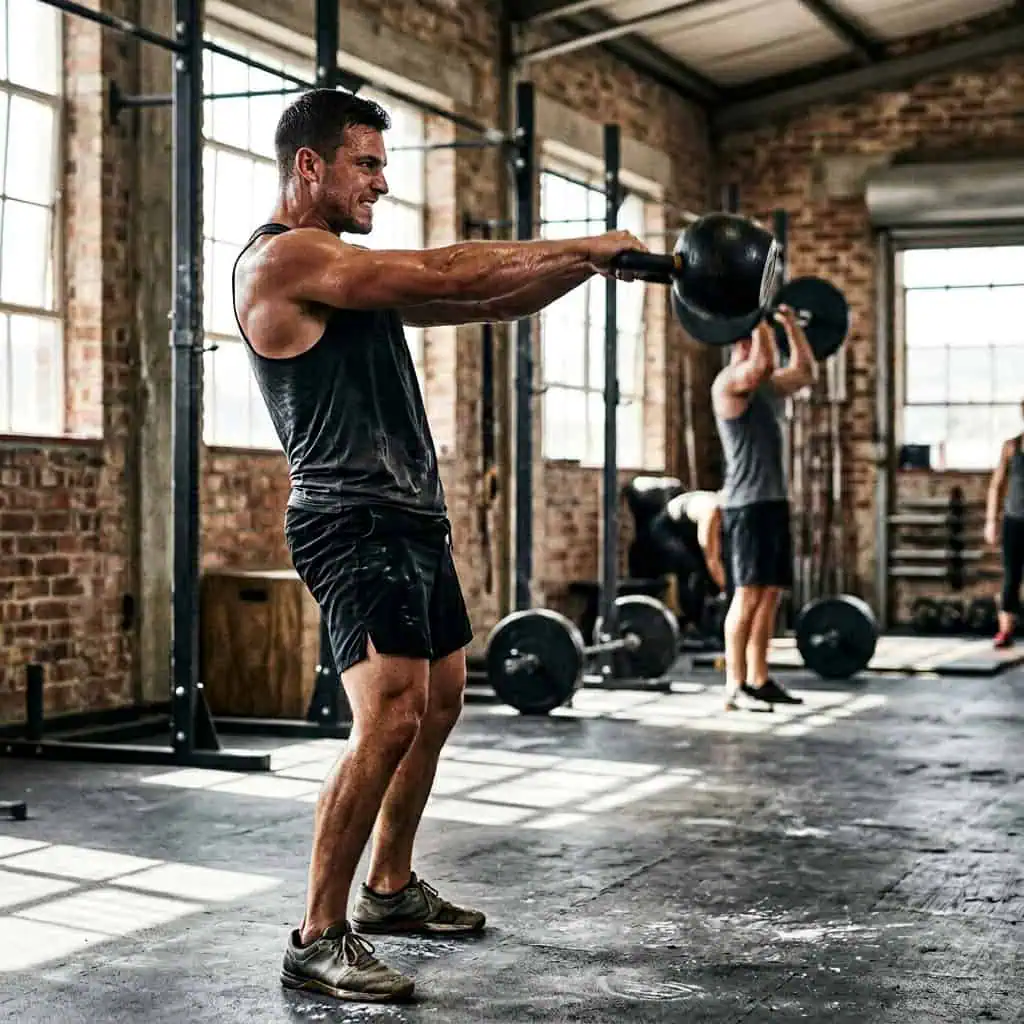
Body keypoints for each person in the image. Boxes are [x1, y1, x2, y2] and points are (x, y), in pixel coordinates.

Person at [230, 88, 650, 1004]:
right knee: (386, 717)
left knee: (442, 700)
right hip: (351, 520)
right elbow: (453, 272)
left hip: (411, 517)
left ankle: (389, 890)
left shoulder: (345, 269)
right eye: (367, 163)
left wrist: (589, 271)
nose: (381, 181)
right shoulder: (288, 259)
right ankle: (316, 935)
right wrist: (583, 240)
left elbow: (487, 300)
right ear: (311, 165)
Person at [711, 310, 815, 711]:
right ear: (738, 345)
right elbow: (764, 363)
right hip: (746, 505)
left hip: (771, 502)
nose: (750, 344)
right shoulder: (729, 385)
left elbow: (805, 372)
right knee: (748, 593)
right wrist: (757, 320)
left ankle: (759, 678)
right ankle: (734, 686)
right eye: (745, 339)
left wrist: (790, 325)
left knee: (770, 593)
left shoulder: (768, 388)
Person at [646, 490, 726, 629]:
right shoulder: (711, 510)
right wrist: (724, 587)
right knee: (690, 567)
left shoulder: (722, 512)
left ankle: (700, 621)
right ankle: (686, 622)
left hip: (687, 530)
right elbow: (710, 554)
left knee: (702, 572)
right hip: (665, 528)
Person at [983, 414, 1024, 647]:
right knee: (1011, 577)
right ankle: (1005, 632)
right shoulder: (1012, 446)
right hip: (1014, 521)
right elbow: (996, 485)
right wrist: (991, 521)